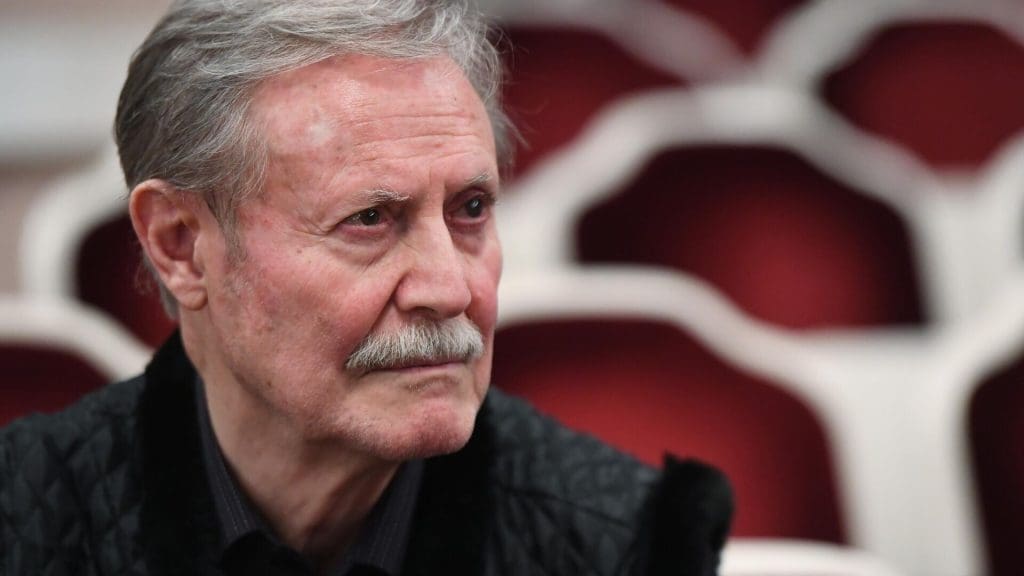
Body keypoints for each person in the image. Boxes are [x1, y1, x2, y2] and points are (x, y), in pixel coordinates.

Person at [0, 1, 732, 574]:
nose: (450, 288)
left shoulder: (618, 543)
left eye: (471, 209)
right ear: (181, 246)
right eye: (370, 219)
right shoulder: (24, 522)